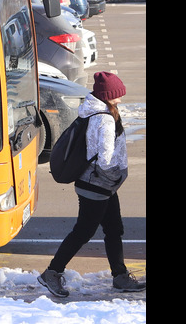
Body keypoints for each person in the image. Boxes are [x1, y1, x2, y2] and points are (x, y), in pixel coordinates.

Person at [38, 72, 146, 297]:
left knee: (114, 229)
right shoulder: (103, 119)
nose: (120, 99)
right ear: (109, 96)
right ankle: (52, 272)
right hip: (97, 185)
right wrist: (117, 176)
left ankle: (120, 276)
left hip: (102, 185)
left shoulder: (99, 112)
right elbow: (105, 159)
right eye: (117, 95)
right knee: (83, 232)